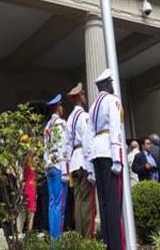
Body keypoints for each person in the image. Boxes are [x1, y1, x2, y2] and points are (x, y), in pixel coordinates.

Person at [88, 69, 124, 250]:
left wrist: (89, 168)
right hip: (109, 152)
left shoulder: (93, 106)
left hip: (96, 153)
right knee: (114, 202)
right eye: (110, 82)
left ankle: (109, 244)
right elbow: (115, 127)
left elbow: (88, 136)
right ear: (107, 84)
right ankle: (116, 245)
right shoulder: (112, 100)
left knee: (103, 202)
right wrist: (117, 157)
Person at [64, 82, 96, 238]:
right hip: (83, 160)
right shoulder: (84, 116)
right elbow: (87, 141)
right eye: (83, 94)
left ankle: (78, 235)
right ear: (79, 97)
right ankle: (86, 237)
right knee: (87, 201)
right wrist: (91, 167)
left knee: (77, 200)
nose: (85, 97)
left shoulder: (70, 118)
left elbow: (67, 144)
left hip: (75, 162)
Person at [43, 93, 68, 240]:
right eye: (61, 105)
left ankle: (53, 238)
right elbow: (63, 147)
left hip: (50, 165)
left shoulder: (47, 126)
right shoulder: (61, 124)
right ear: (58, 107)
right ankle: (56, 240)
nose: (62, 108)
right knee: (60, 204)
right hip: (59, 165)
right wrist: (65, 170)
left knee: (52, 203)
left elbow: (46, 149)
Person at [20, 155, 36, 233]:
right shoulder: (30, 166)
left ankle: (25, 228)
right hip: (30, 187)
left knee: (27, 209)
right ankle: (29, 229)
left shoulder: (26, 166)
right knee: (30, 210)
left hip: (28, 186)